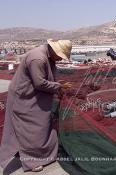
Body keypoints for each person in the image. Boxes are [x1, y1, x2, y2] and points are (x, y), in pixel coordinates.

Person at [0, 39, 72, 172]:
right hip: (24, 96)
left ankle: (43, 155)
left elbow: (47, 77)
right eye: (60, 56)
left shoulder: (48, 56)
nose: (60, 59)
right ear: (54, 50)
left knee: (43, 124)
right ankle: (31, 161)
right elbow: (39, 83)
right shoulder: (38, 58)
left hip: (35, 94)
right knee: (30, 128)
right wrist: (58, 86)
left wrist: (57, 83)